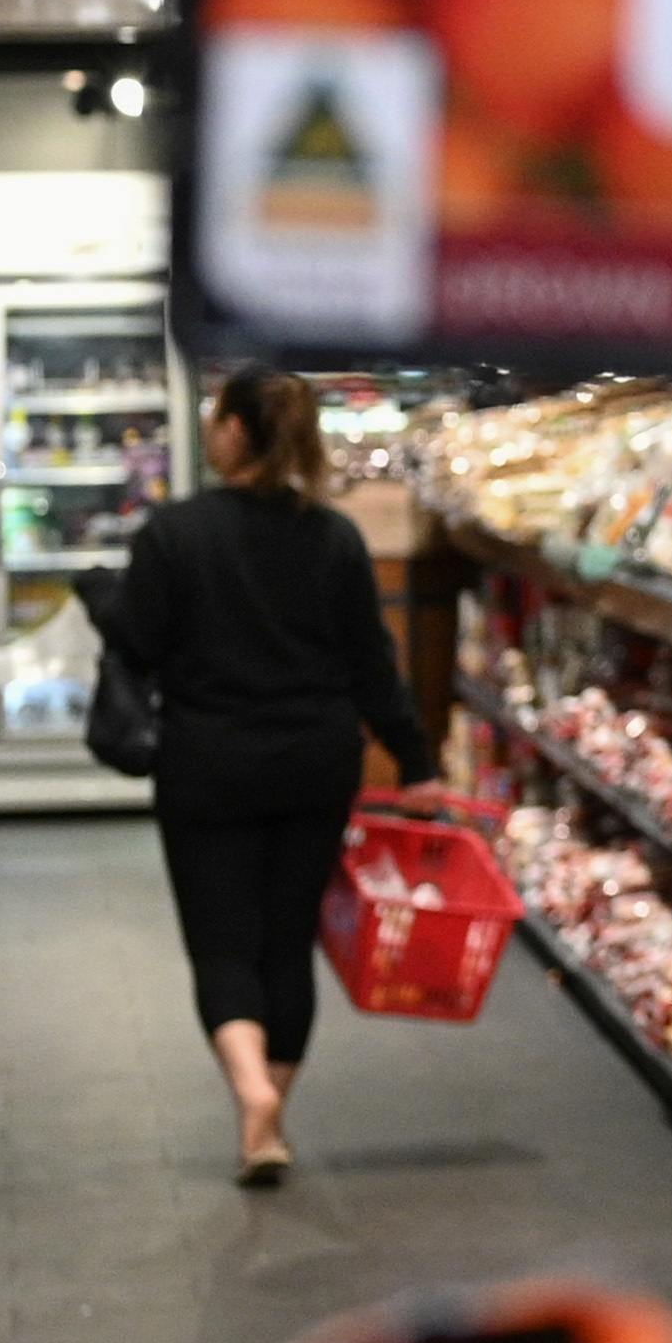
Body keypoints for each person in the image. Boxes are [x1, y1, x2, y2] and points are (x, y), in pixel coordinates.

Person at [101, 368, 436, 1185]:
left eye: (218, 420)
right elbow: (372, 667)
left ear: (237, 434)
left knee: (221, 945)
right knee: (287, 943)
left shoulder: (175, 535)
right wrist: (416, 760)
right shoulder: (334, 539)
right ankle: (269, 1120)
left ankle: (249, 1092)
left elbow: (135, 646)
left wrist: (106, 601)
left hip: (205, 765)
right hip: (314, 766)